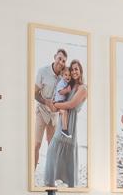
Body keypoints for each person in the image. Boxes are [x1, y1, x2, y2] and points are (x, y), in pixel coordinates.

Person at [44, 58, 89, 187]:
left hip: (70, 126)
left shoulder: (83, 88)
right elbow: (60, 97)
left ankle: (70, 185)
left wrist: (56, 104)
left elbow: (71, 104)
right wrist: (53, 104)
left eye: (76, 69)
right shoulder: (69, 85)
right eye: (72, 69)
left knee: (64, 153)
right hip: (62, 123)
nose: (74, 71)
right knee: (52, 150)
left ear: (80, 70)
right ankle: (50, 183)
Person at [33, 47, 67, 179]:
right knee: (36, 144)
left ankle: (50, 175)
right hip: (41, 111)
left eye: (64, 61)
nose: (61, 62)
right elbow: (34, 93)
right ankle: (32, 173)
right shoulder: (43, 71)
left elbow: (65, 98)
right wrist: (45, 101)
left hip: (54, 116)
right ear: (54, 57)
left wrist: (57, 108)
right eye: (59, 59)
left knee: (51, 146)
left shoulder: (64, 77)